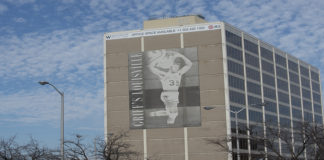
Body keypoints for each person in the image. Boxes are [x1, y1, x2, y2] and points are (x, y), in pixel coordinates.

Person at [148, 50, 192, 124]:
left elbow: (189, 64)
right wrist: (161, 56)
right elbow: (151, 67)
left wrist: (181, 56)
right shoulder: (163, 74)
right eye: (175, 64)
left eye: (178, 65)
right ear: (170, 65)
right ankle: (170, 120)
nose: (177, 66)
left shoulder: (179, 73)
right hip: (170, 97)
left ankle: (169, 119)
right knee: (173, 114)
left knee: (172, 114)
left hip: (169, 97)